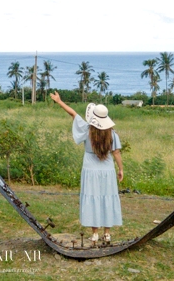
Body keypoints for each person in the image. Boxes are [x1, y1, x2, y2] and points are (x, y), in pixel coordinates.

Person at [50, 91, 123, 243]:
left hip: (90, 169)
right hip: (107, 170)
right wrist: (121, 169)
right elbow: (116, 153)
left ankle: (95, 233)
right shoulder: (112, 134)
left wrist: (59, 101)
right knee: (107, 197)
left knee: (93, 197)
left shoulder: (87, 129)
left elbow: (73, 114)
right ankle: (107, 233)